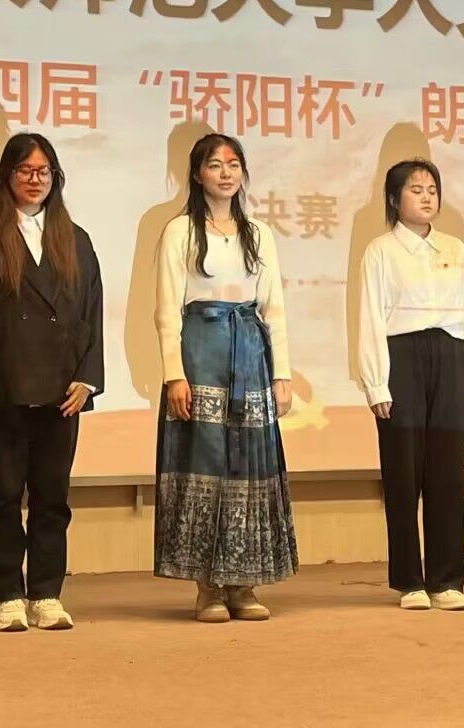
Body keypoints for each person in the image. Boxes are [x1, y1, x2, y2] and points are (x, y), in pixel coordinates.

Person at [0, 133, 104, 632]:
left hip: (62, 390)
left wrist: (88, 377)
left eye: (44, 172)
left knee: (52, 496)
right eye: (25, 171)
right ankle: (7, 595)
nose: (35, 180)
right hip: (2, 386)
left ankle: (47, 594)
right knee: (4, 494)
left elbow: (92, 312)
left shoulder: (74, 238)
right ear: (7, 175)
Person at [153, 133, 297, 622]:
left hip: (250, 354)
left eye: (233, 164)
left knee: (248, 465)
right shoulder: (180, 231)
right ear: (198, 175)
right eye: (215, 165)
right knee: (206, 459)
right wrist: (174, 374)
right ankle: (208, 587)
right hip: (201, 350)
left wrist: (281, 373)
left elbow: (274, 307)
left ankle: (244, 585)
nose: (226, 173)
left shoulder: (259, 232)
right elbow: (167, 310)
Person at [357, 158, 464, 611]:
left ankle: (447, 579)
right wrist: (376, 384)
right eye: (416, 190)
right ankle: (410, 580)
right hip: (401, 358)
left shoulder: (455, 248)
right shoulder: (380, 251)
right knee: (403, 471)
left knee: (448, 473)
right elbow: (371, 318)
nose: (427, 197)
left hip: (451, 357)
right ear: (394, 199)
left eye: (432, 189)